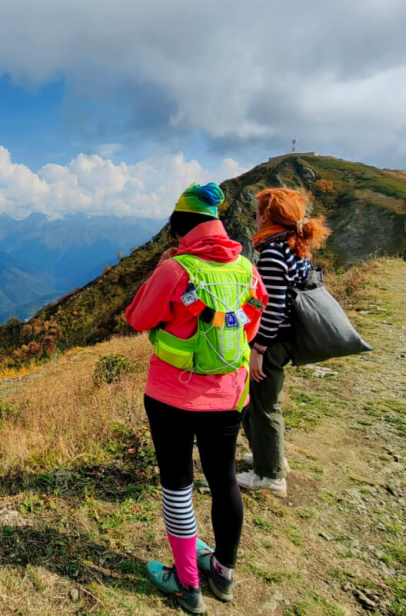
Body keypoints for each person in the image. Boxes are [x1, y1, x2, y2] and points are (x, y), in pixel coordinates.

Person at [126, 183, 268, 613]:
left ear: (180, 227)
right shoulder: (246, 268)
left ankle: (188, 585)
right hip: (227, 396)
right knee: (223, 479)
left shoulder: (176, 270)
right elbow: (250, 326)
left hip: (172, 396)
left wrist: (162, 272)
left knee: (177, 484)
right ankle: (224, 573)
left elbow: (137, 319)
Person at [237, 188, 331, 497]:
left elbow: (272, 307)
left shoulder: (275, 252)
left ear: (269, 216)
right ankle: (269, 456)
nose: (255, 217)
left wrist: (259, 350)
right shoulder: (295, 247)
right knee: (259, 403)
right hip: (287, 337)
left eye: (259, 212)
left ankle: (270, 475)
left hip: (272, 342)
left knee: (262, 405)